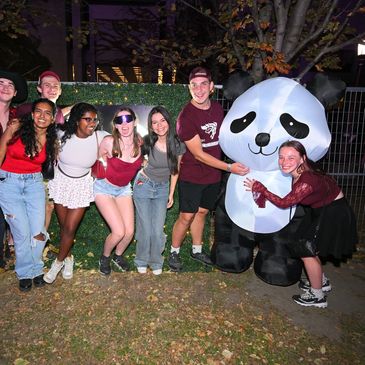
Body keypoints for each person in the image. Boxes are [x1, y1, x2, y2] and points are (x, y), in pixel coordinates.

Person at [244, 140, 357, 308]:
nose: (284, 162)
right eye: (281, 157)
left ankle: (317, 296)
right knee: (306, 245)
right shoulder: (300, 170)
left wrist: (261, 189)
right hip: (322, 209)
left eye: (291, 157)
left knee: (306, 251)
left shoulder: (307, 179)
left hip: (333, 213)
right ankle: (321, 281)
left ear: (302, 158)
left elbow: (284, 203)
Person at [168, 66, 249, 272]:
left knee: (203, 212)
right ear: (189, 88)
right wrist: (230, 167)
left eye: (204, 84)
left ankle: (196, 250)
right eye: (194, 85)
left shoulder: (218, 109)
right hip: (193, 174)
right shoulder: (185, 117)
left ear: (212, 87)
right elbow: (199, 154)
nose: (199, 89)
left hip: (213, 175)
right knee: (187, 215)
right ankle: (174, 251)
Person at [44, 103, 108, 284]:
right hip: (61, 183)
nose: (93, 123)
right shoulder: (61, 134)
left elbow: (122, 138)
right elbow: (49, 120)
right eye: (88, 119)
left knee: (71, 227)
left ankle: (58, 263)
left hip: (81, 185)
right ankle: (69, 258)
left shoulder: (99, 137)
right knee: (64, 227)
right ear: (76, 119)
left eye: (95, 119)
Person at [0, 98, 58, 291]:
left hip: (34, 183)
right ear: (32, 114)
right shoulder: (16, 127)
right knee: (21, 232)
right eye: (39, 111)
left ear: (52, 118)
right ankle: (25, 272)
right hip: (9, 183)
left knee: (38, 231)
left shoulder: (51, 138)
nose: (42, 116)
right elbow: (1, 149)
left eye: (47, 113)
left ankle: (36, 268)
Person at [16, 71, 71, 233]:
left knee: (48, 207)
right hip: (26, 170)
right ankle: (15, 244)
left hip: (50, 171)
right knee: (23, 209)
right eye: (47, 85)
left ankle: (39, 244)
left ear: (60, 91)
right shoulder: (25, 110)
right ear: (39, 89)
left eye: (56, 86)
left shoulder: (59, 113)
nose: (52, 88)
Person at [133, 106, 185, 275]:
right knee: (145, 228)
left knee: (156, 230)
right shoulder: (147, 141)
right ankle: (141, 259)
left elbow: (175, 170)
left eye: (162, 120)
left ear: (169, 121)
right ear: (150, 125)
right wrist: (142, 165)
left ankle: (156, 261)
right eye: (154, 122)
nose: (159, 125)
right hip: (144, 185)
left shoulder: (177, 143)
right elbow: (137, 159)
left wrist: (171, 193)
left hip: (162, 188)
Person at [96, 107, 143, 275]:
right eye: (119, 121)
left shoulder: (139, 142)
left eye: (128, 119)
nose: (124, 124)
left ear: (134, 122)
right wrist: (103, 164)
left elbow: (141, 164)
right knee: (118, 232)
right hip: (104, 189)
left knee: (129, 232)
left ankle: (118, 255)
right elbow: (98, 157)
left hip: (123, 189)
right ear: (115, 125)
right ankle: (105, 257)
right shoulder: (109, 141)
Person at [0, 69, 28, 269]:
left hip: (8, 176)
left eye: (10, 85)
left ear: (16, 93)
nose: (5, 88)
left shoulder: (17, 116)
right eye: (1, 83)